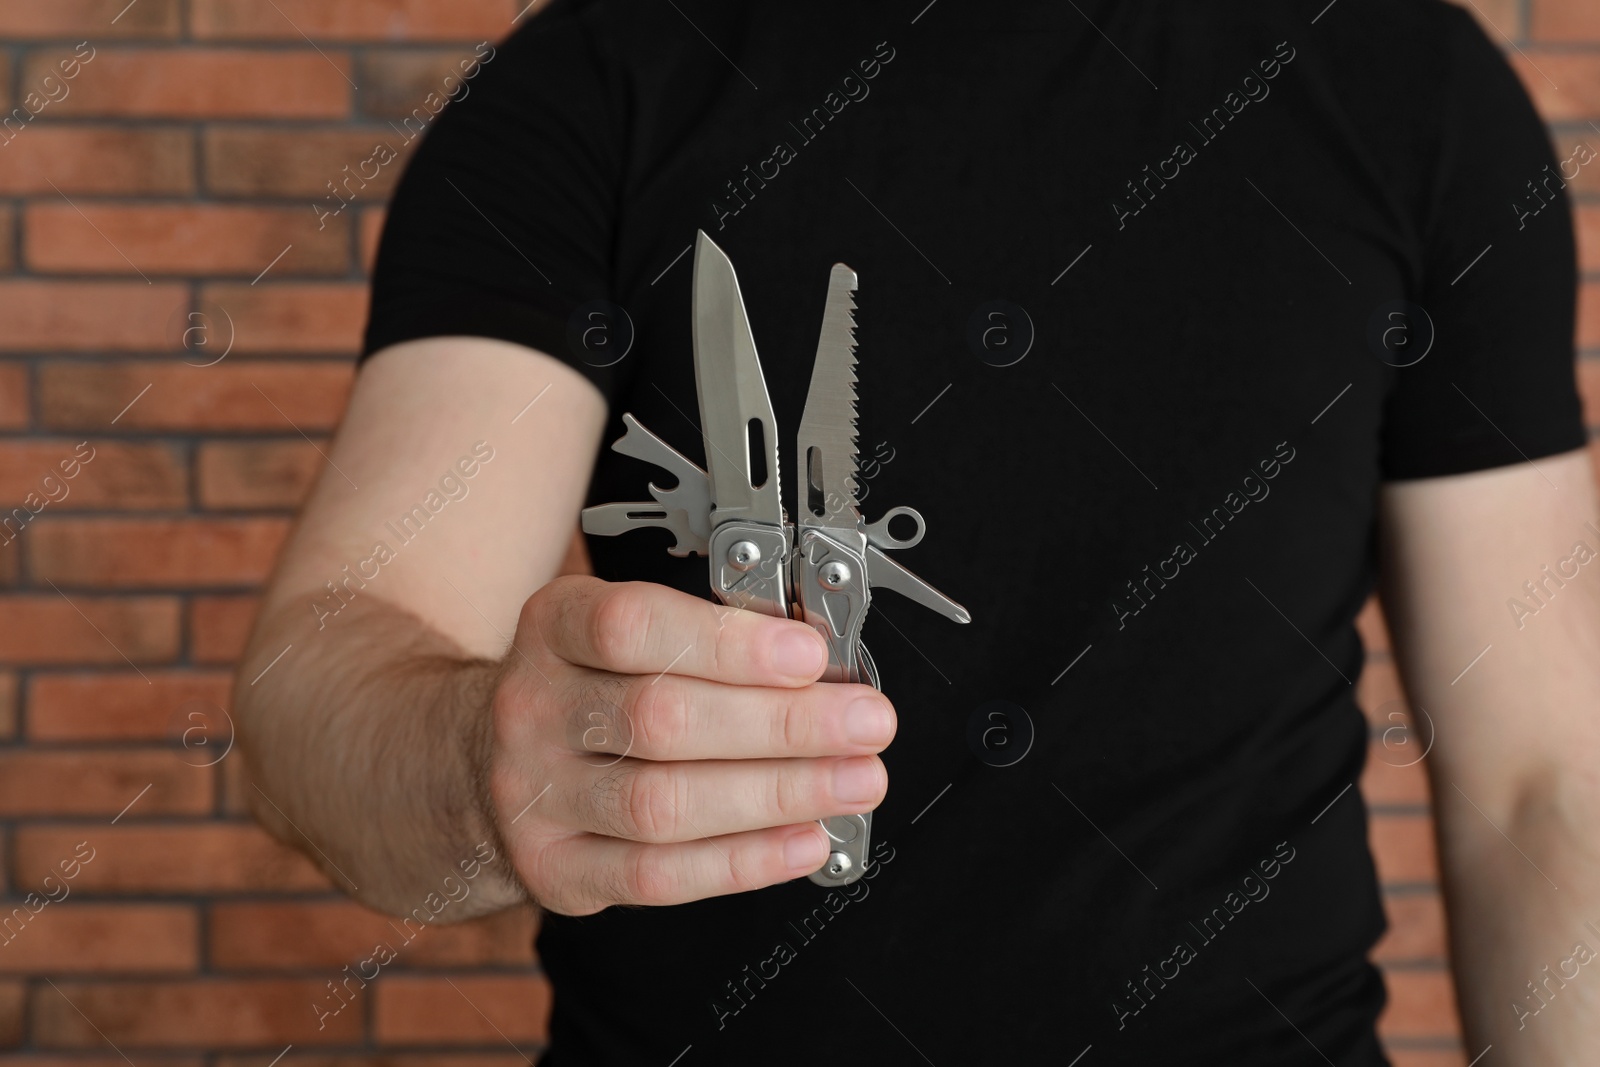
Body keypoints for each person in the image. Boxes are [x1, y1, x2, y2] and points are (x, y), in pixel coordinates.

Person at [235, 0, 1600, 1061]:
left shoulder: (1414, 94)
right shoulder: (594, 85)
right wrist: (483, 766)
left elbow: (1546, 782)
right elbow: (319, 685)